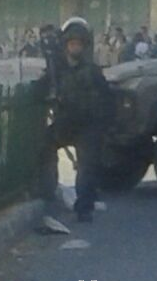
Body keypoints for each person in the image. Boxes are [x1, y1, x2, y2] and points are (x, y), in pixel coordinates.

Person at [44, 18, 112, 223]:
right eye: (72, 43)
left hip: (88, 125)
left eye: (79, 44)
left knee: (87, 166)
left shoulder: (92, 71)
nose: (75, 47)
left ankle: (84, 207)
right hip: (65, 121)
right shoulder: (55, 69)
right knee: (44, 148)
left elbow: (106, 97)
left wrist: (104, 124)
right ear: (65, 45)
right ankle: (47, 191)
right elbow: (42, 90)